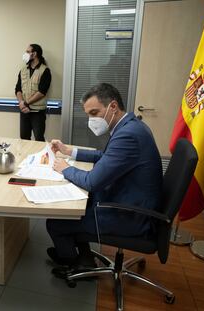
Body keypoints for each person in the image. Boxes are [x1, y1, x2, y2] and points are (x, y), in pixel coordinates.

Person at [46, 83, 162, 272]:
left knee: (56, 222)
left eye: (94, 113)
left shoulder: (128, 135)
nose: (91, 120)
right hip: (132, 203)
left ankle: (73, 264)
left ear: (113, 107)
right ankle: (84, 257)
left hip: (131, 216)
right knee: (76, 208)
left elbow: (92, 182)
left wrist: (65, 168)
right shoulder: (131, 125)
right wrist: (70, 151)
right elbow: (105, 156)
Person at [15, 44, 52, 141]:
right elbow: (18, 89)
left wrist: (26, 103)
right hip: (24, 111)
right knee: (24, 138)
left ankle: (39, 156)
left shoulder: (45, 70)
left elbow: (41, 92)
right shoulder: (23, 70)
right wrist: (21, 103)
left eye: (27, 52)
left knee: (39, 138)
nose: (25, 54)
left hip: (38, 112)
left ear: (34, 54)